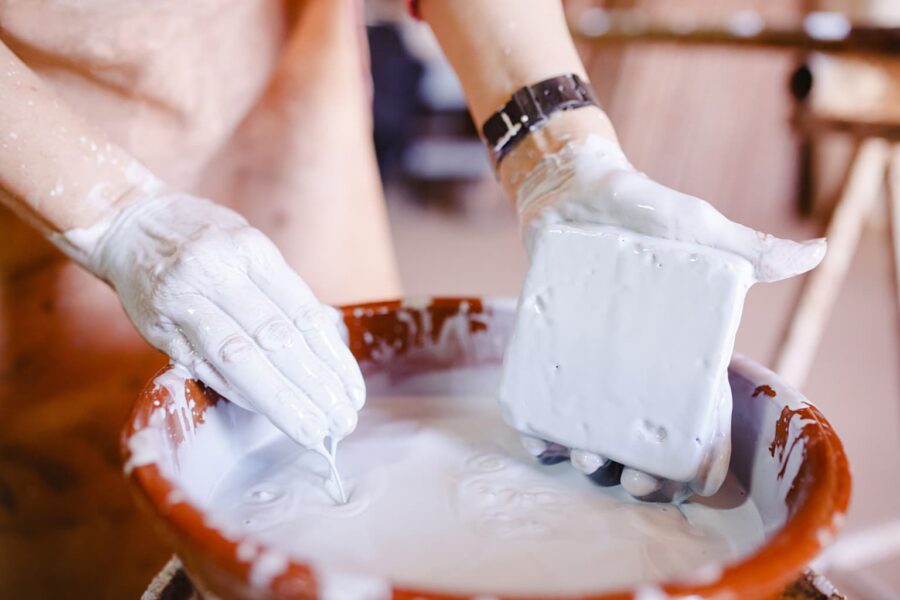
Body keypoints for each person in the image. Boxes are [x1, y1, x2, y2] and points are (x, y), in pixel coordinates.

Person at [0, 0, 823, 594]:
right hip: (33, 166)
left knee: (338, 388)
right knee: (93, 528)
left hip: (284, 98)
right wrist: (113, 218)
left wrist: (556, 149)